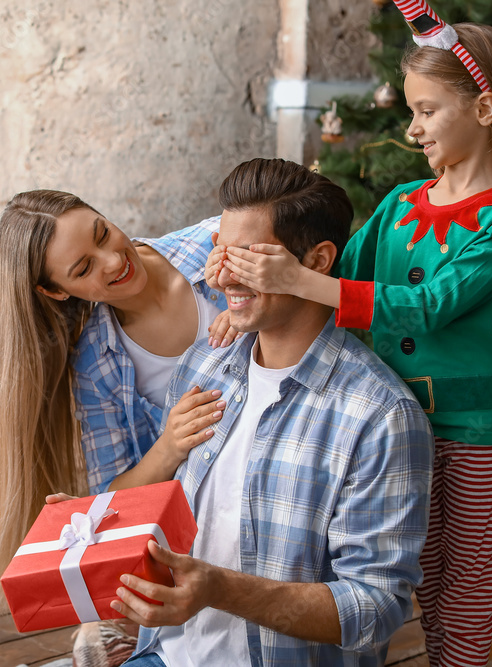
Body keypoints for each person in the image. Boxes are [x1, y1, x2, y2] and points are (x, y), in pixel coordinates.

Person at [213, 8, 492, 665]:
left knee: (463, 601)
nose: (412, 127)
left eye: (427, 110)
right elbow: (327, 268)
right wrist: (250, 279)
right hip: (391, 429)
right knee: (408, 583)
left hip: (474, 432)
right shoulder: (401, 202)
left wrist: (299, 280)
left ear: (484, 108)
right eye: (412, 111)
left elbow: (432, 304)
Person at [113, 158, 435, 665]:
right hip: (164, 655)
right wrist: (87, 529)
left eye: (248, 256)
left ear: (319, 260)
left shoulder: (379, 415)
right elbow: (163, 510)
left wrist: (219, 589)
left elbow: (374, 608)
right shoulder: (203, 366)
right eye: (220, 249)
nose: (221, 273)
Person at [0, 190, 239, 633]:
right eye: (84, 268)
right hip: (216, 532)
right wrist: (168, 447)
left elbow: (319, 263)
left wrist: (264, 301)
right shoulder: (96, 365)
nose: (114, 261)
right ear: (56, 292)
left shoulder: (214, 241)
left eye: (103, 233)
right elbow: (113, 496)